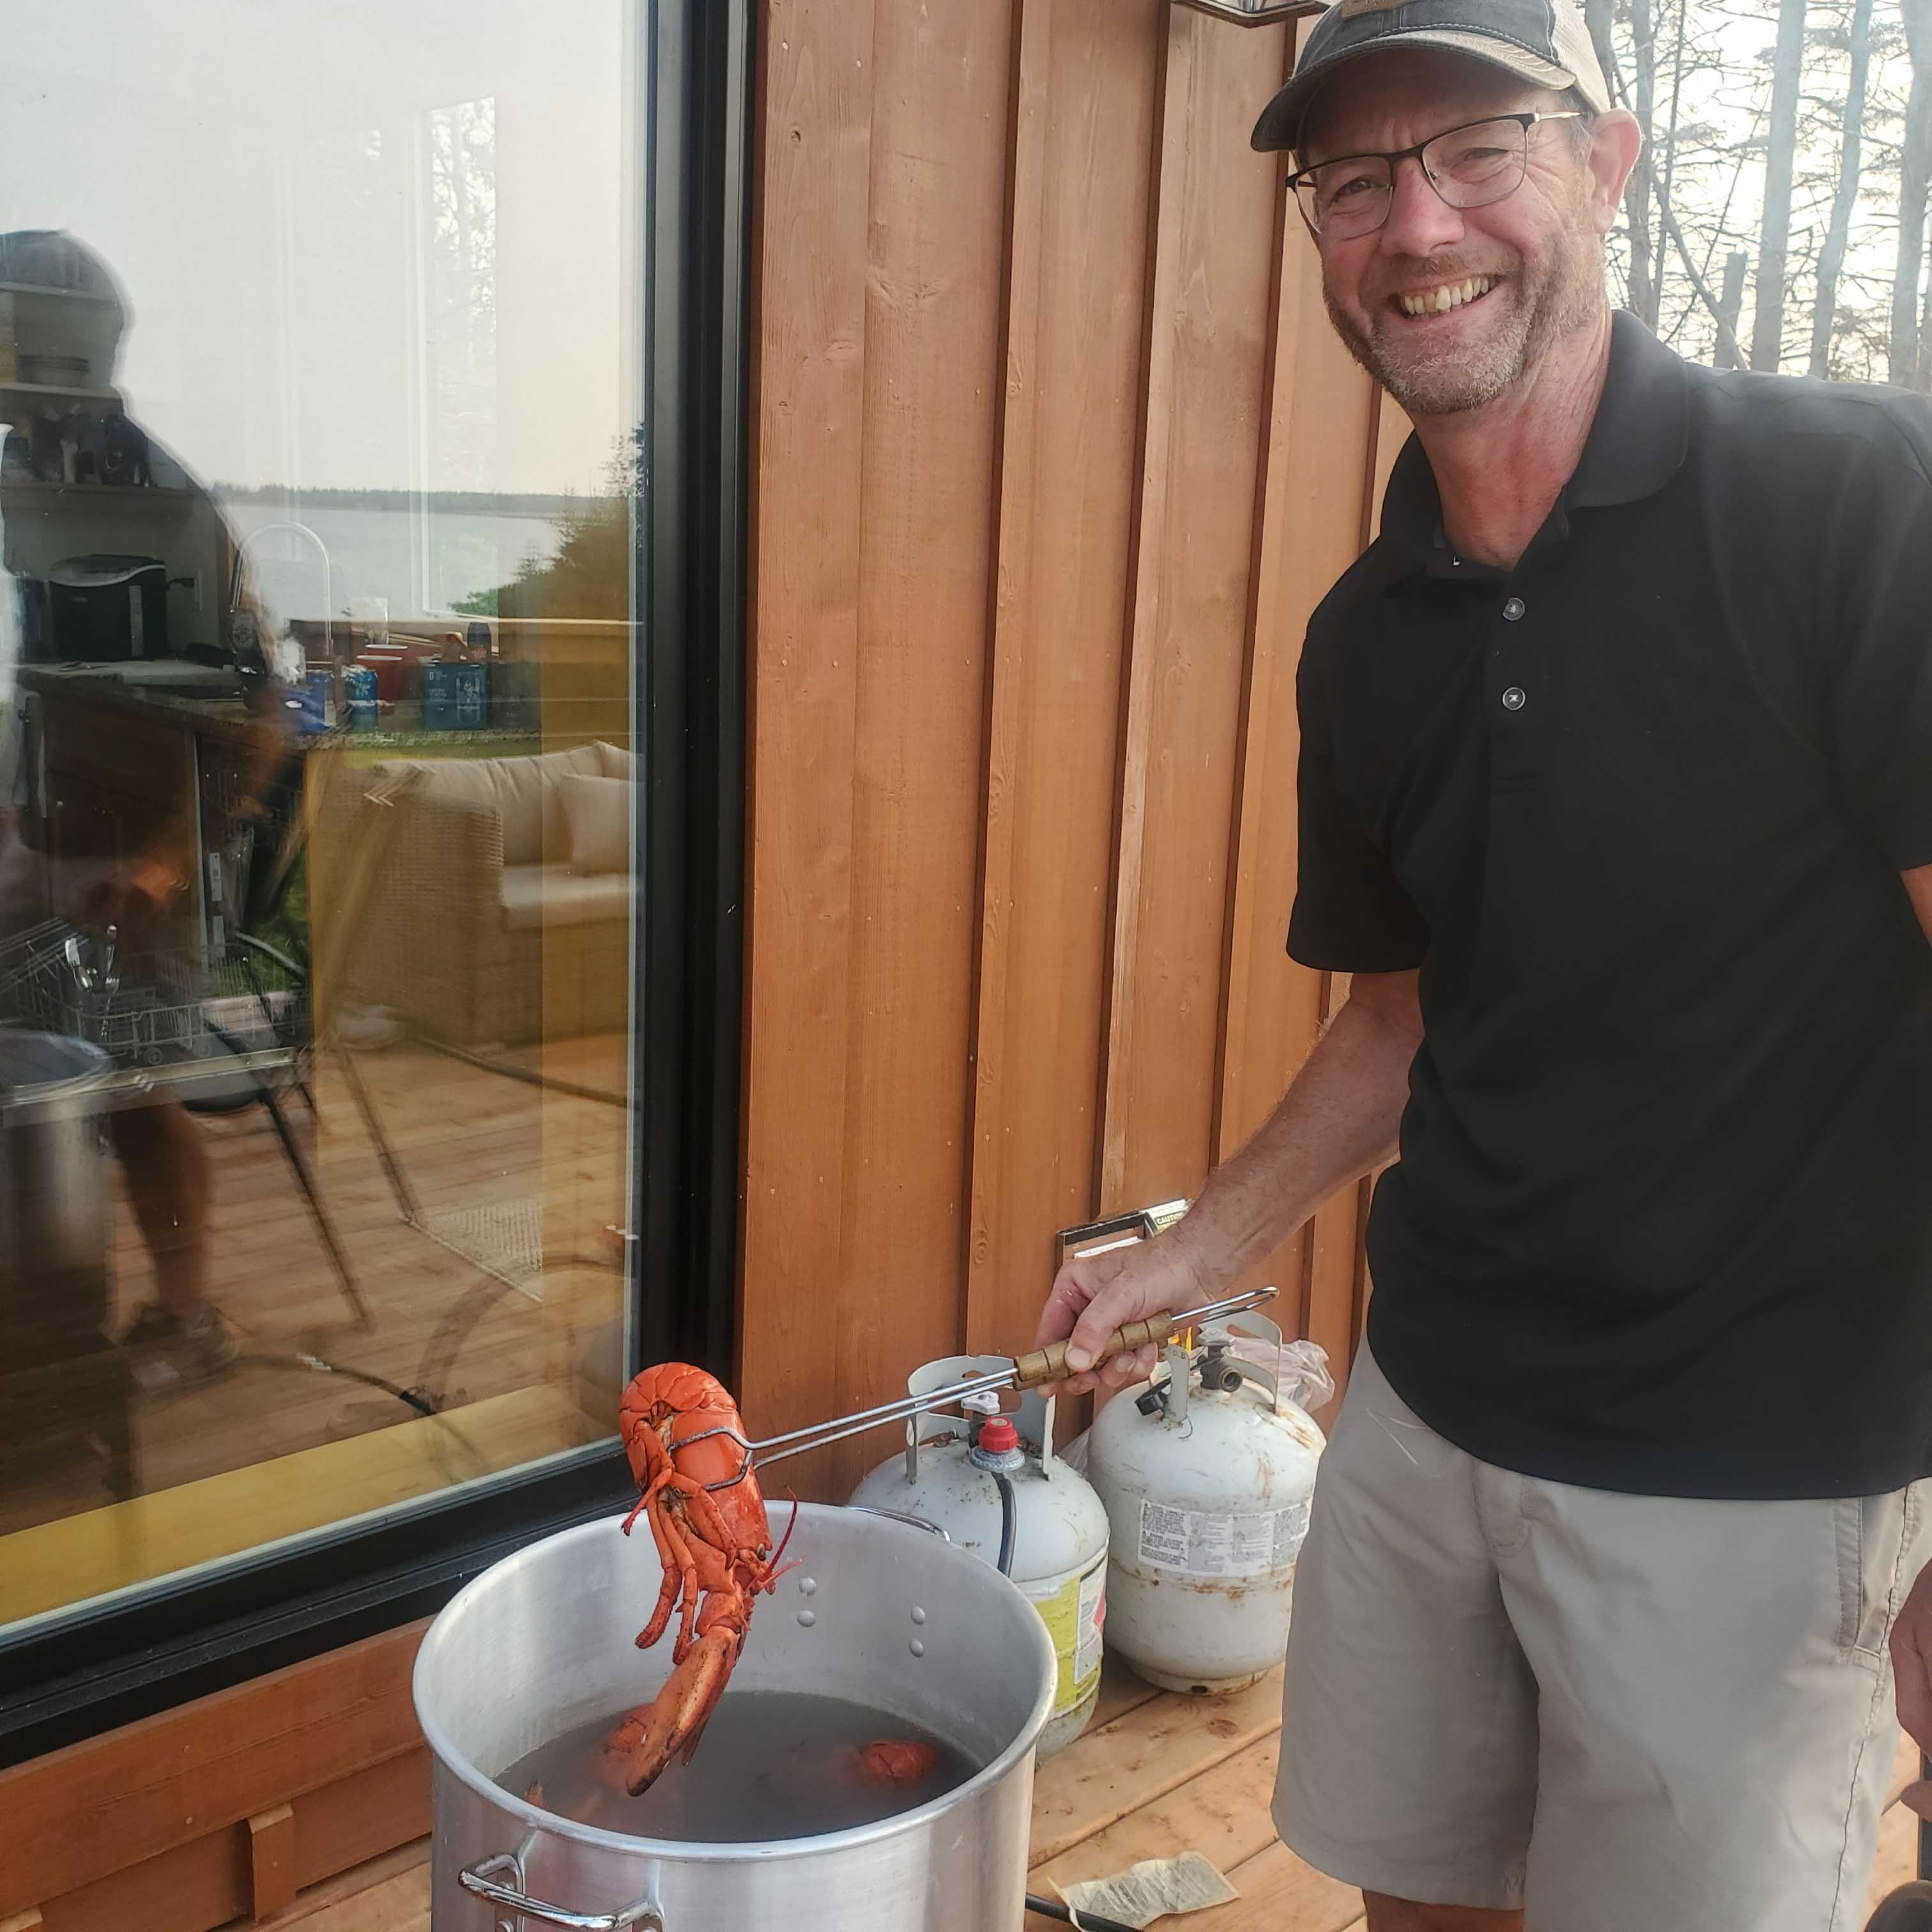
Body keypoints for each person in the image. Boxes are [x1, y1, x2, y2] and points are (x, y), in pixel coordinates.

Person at [1032, 3, 1932, 1926]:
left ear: (1606, 164)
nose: (1417, 225)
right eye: (1354, 180)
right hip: (1429, 1408)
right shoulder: (1370, 633)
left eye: (1476, 149)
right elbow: (1405, 1012)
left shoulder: (1860, 502)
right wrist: (1204, 1247)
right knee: (1416, 1899)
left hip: (1759, 1469)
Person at [0, 230, 292, 1393]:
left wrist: (167, 865)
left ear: (57, 351)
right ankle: (42, 1318)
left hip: (141, 860)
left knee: (129, 1091)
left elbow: (265, 714)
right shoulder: (26, 469)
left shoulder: (164, 500)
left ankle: (187, 1318)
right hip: (43, 835)